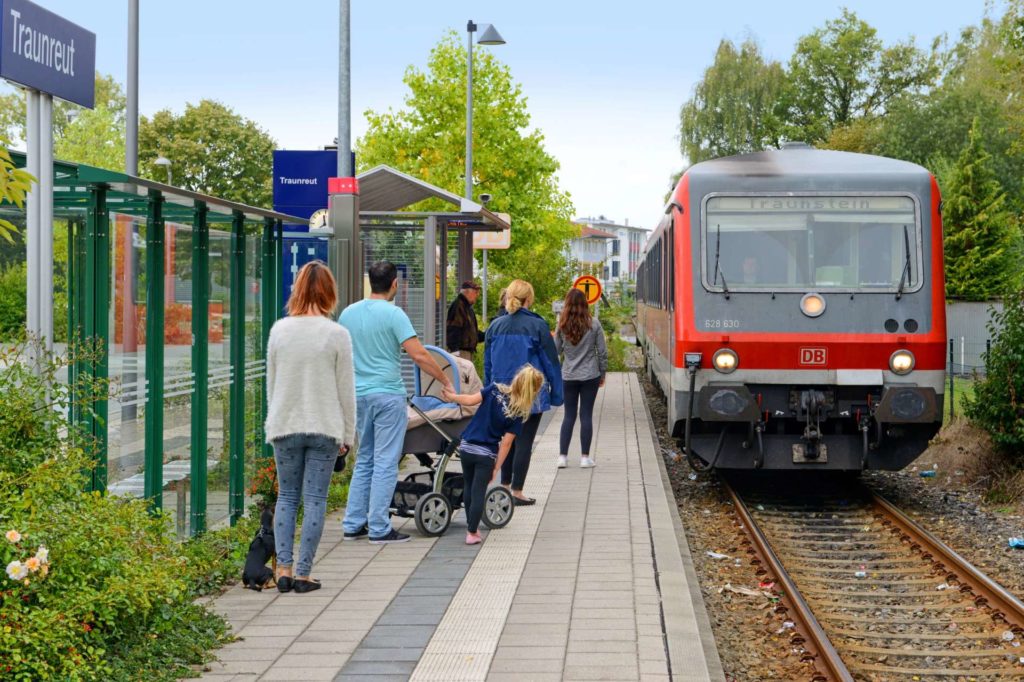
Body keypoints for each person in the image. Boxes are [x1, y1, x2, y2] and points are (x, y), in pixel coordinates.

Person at [339, 261, 453, 544]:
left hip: (358, 396)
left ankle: (354, 523)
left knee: (365, 458)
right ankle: (379, 527)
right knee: (386, 461)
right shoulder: (394, 314)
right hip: (388, 396)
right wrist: (445, 380)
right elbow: (419, 355)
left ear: (370, 282)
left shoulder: (348, 314)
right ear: (394, 284)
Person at [265, 261, 356, 594]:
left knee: (287, 498)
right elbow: (346, 391)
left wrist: (271, 423)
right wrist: (348, 435)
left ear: (297, 290)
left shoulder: (280, 330)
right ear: (329, 293)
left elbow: (272, 385)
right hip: (324, 426)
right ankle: (304, 574)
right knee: (315, 500)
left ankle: (284, 571)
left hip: (285, 425)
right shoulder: (337, 335)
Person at [442, 365, 543, 544]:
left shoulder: (494, 389)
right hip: (485, 454)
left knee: (469, 485)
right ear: (532, 392)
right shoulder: (518, 413)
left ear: (516, 379)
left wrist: (452, 397)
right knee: (479, 491)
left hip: (466, 446)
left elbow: (470, 400)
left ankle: (469, 523)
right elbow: (506, 444)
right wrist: (496, 467)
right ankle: (472, 532)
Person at [484, 279, 563, 506]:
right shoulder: (537, 326)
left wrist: (489, 391)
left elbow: (488, 365)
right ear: (529, 299)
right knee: (524, 442)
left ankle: (504, 486)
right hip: (531, 394)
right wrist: (557, 393)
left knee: (507, 440)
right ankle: (518, 491)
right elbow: (551, 363)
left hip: (502, 393)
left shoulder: (495, 326)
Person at [555, 288, 608, 469]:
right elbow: (602, 352)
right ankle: (585, 458)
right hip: (590, 376)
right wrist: (602, 374)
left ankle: (562, 457)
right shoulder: (594, 324)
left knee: (568, 415)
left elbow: (556, 351)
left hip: (568, 375)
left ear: (567, 304)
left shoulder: (561, 324)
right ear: (585, 304)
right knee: (586, 415)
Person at [446, 280, 482, 360]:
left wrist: (487, 334)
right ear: (467, 292)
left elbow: (471, 333)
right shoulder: (458, 306)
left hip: (465, 352)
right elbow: (453, 329)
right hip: (460, 353)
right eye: (476, 292)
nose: (477, 295)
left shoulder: (467, 308)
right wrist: (455, 352)